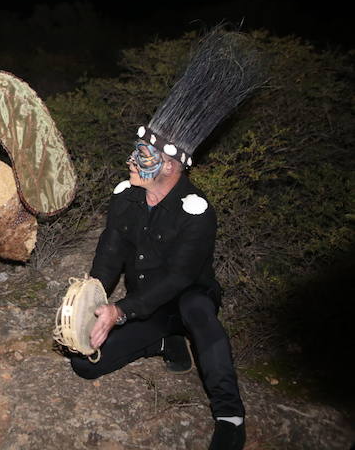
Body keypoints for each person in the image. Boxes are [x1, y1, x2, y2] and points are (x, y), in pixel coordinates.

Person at [68, 28, 262, 450]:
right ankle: (162, 340)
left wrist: (121, 312)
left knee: (199, 313)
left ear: (171, 165)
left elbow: (177, 278)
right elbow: (111, 251)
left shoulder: (197, 210)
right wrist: (94, 298)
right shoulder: (127, 197)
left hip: (185, 296)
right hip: (147, 306)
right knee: (82, 363)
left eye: (142, 154)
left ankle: (229, 414)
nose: (130, 159)